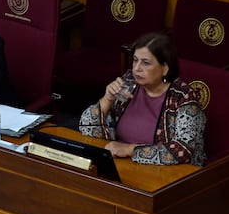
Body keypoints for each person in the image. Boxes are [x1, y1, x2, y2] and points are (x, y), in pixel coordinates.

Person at [78, 32, 206, 166]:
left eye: (145, 63)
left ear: (165, 69)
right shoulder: (129, 84)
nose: (136, 68)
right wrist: (107, 99)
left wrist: (130, 150)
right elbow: (86, 128)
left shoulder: (183, 97)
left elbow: (183, 151)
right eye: (135, 60)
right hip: (121, 164)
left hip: (165, 173)